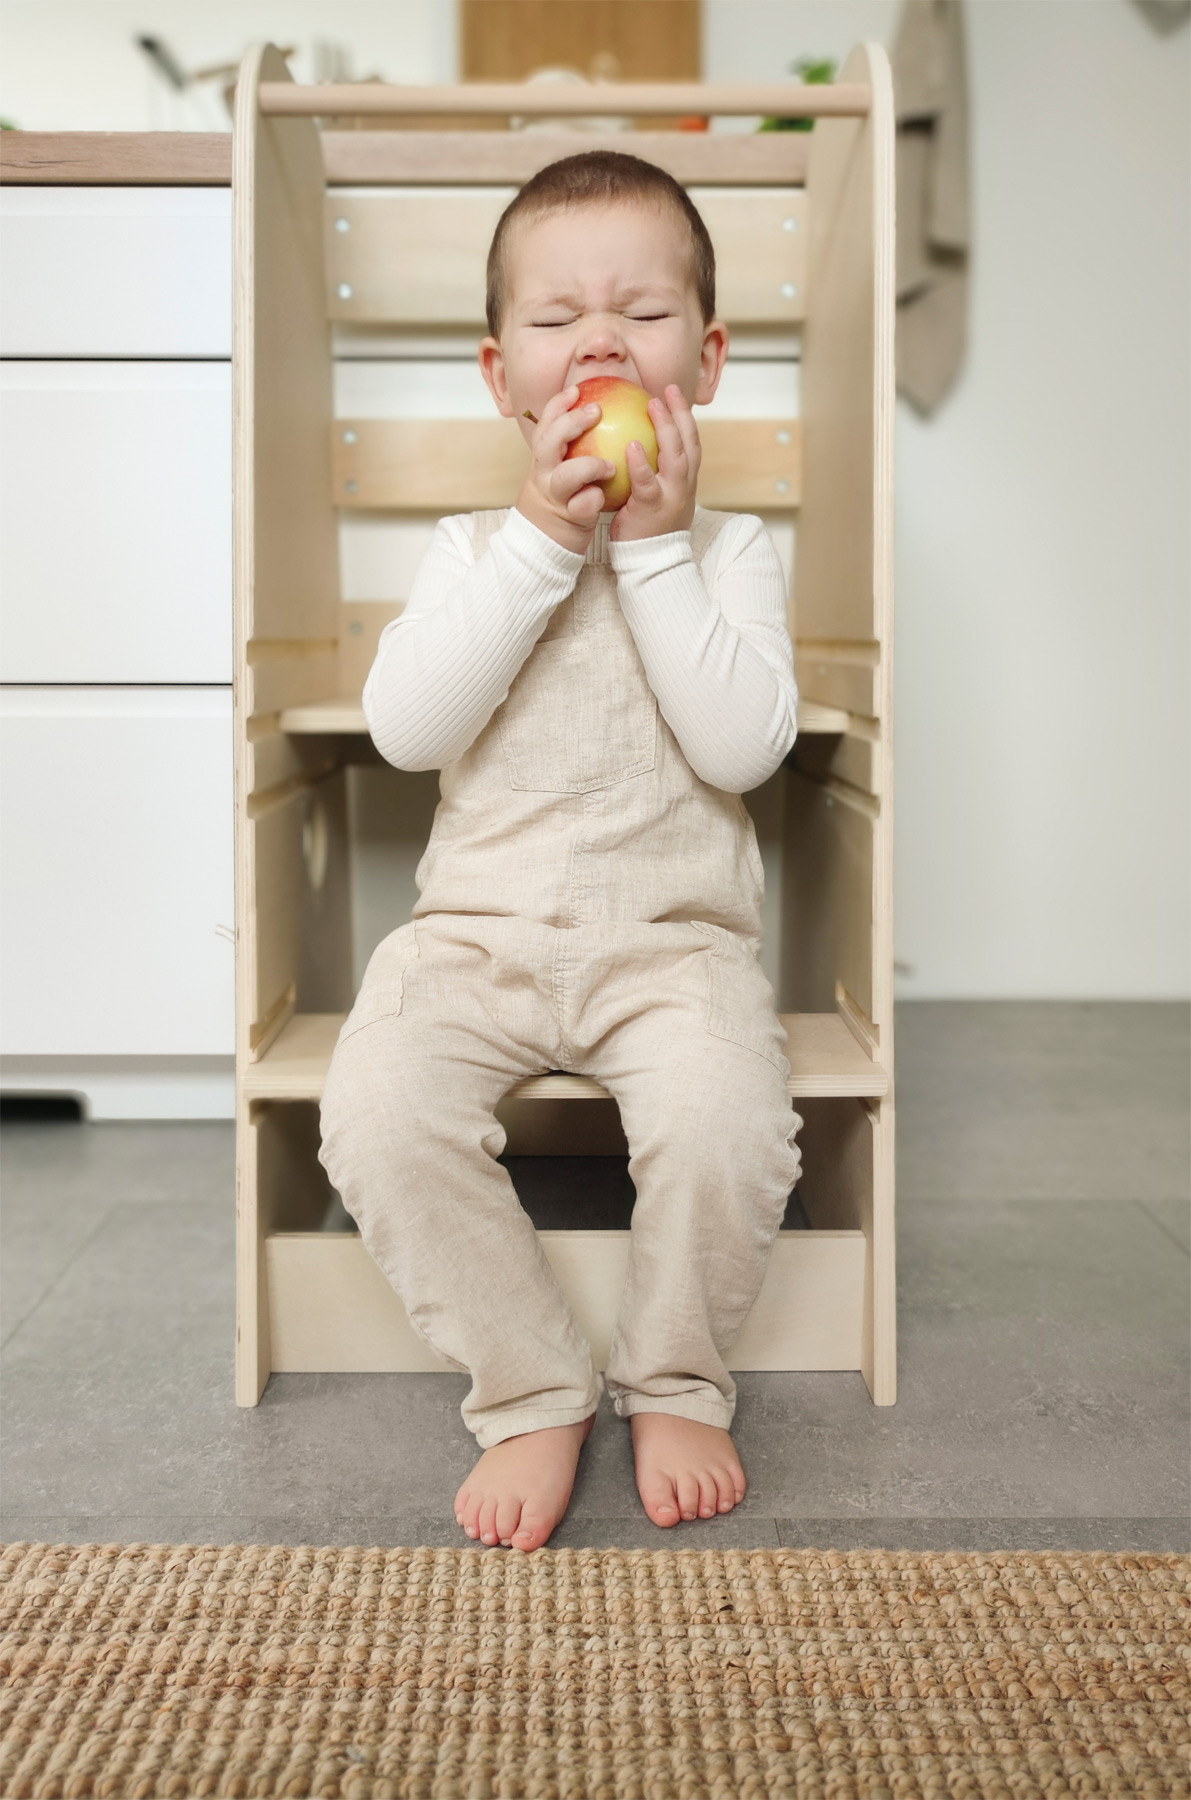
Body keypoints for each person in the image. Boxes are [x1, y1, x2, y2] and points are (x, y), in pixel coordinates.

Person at [319, 149, 803, 1553]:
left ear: (706, 363)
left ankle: (675, 1377)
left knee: (728, 1124)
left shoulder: (731, 552)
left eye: (642, 313)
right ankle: (531, 1383)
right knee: (379, 1109)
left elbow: (742, 749)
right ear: (503, 379)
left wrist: (654, 552)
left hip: (674, 945)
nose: (600, 341)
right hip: (476, 939)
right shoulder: (473, 547)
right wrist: (543, 538)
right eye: (556, 319)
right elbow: (408, 728)